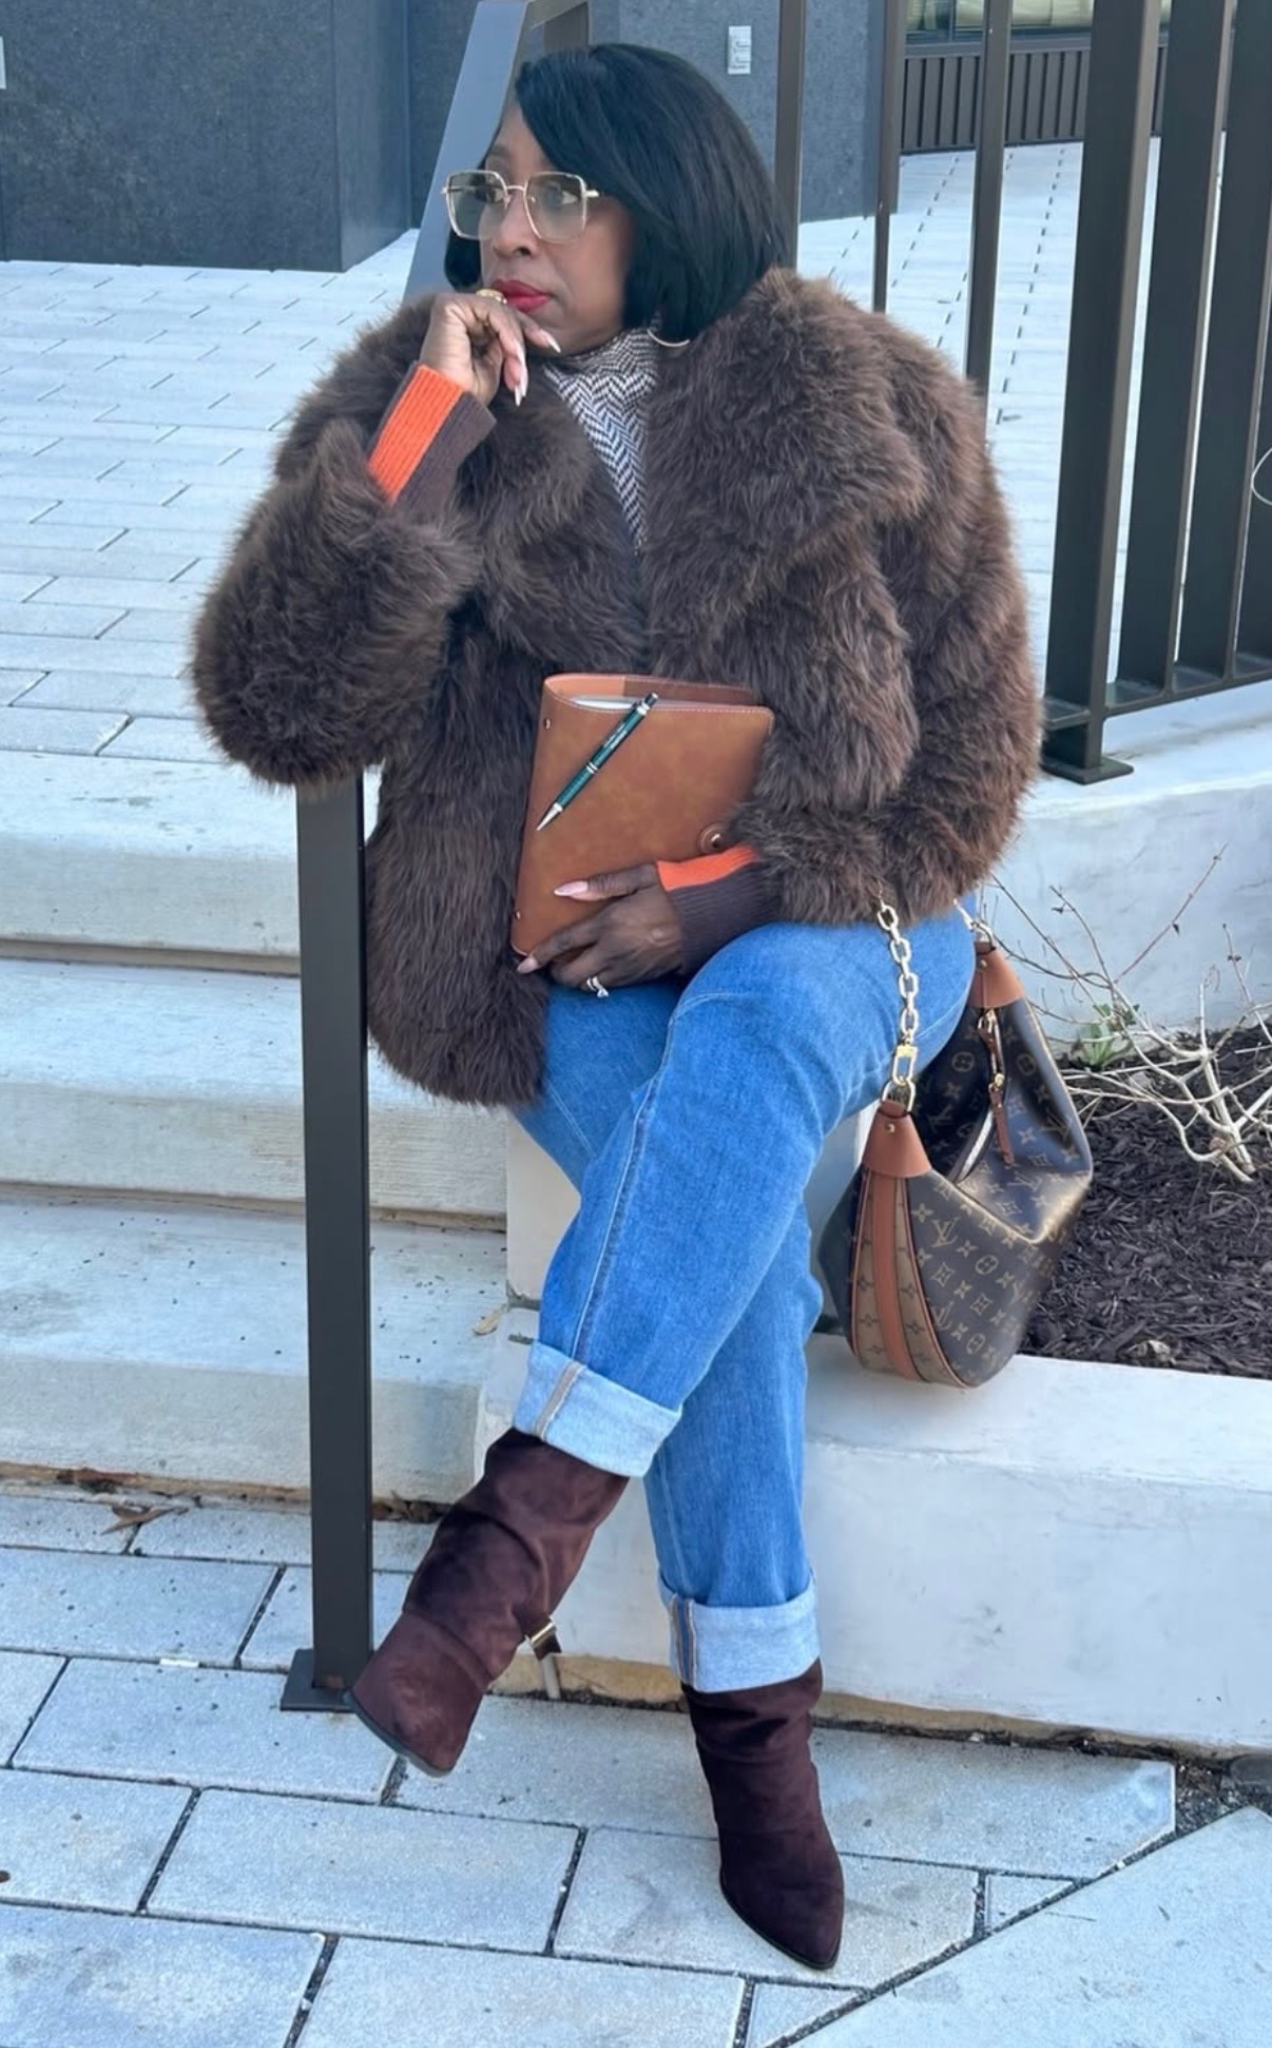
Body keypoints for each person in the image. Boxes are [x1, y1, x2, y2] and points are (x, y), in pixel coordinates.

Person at [191, 42, 1039, 1973]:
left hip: (834, 924)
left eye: (561, 194)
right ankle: (763, 1747)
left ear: (674, 201)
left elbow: (974, 764)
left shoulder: (874, 400)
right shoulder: (430, 401)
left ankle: (510, 1552)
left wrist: (725, 897)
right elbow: (280, 711)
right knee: (727, 1243)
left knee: (744, 1054)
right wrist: (412, 453)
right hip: (546, 957)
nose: (512, 229)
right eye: (496, 189)